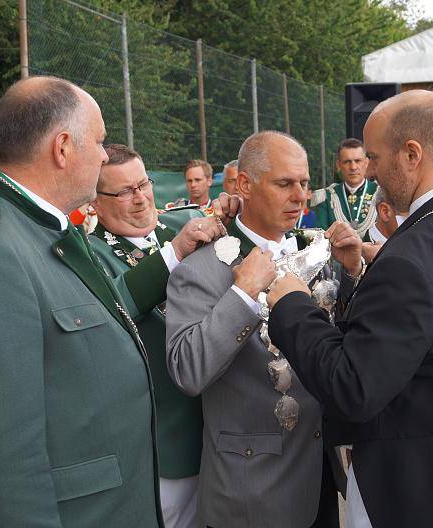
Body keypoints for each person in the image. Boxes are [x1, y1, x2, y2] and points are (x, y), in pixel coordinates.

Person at [0, 76, 230, 527]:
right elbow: (0, 457)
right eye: (100, 140)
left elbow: (110, 311)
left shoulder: (47, 231)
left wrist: (175, 252)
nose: (106, 154)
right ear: (63, 147)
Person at [266, 90, 433, 527]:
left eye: (374, 157)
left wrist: (293, 306)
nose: (371, 171)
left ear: (412, 153)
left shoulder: (412, 255)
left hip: (425, 486)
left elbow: (353, 388)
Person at [166, 130, 341, 528]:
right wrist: (243, 294)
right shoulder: (203, 267)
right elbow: (187, 371)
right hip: (252, 492)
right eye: (285, 183)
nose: (300, 196)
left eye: (305, 183)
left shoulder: (311, 253)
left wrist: (351, 272)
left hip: (318, 477)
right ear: (244, 184)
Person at [84, 144, 209, 528]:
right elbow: (114, 308)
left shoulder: (182, 224)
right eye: (124, 191)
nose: (140, 198)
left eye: (143, 184)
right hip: (162, 443)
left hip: (221, 432)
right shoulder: (88, 254)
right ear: (95, 202)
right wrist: (174, 253)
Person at [311, 138, 378, 237]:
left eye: (358, 161)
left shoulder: (380, 193)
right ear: (338, 165)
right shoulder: (326, 197)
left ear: (366, 162)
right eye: (347, 162)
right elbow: (321, 236)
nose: (353, 167)